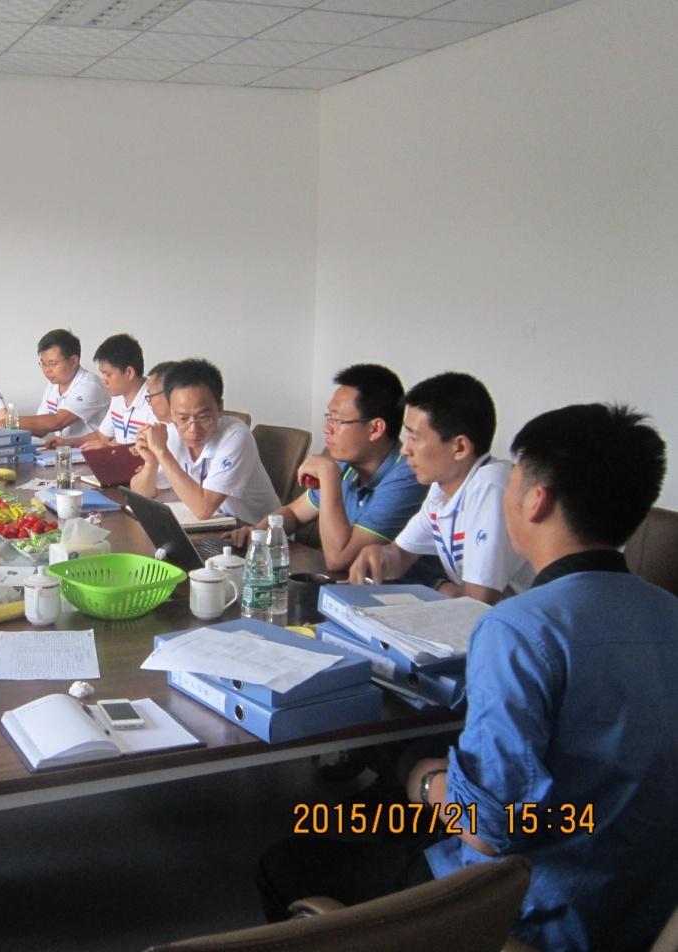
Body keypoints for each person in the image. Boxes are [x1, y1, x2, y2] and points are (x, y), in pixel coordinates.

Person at [260, 403, 678, 952]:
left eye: (514, 479)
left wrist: (423, 779)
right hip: (640, 903)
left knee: (285, 863)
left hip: (527, 907)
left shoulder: (521, 629)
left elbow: (484, 830)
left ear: (537, 500)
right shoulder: (668, 611)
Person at [349, 371, 532, 603]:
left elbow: (477, 603)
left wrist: (437, 586)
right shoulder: (442, 487)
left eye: (414, 438)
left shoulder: (491, 486)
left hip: (519, 622)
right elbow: (401, 555)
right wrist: (379, 555)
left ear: (460, 447)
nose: (405, 449)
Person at [229, 364, 430, 573]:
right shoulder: (348, 465)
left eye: (337, 420)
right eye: (329, 417)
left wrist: (328, 476)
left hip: (400, 590)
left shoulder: (408, 477)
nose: (326, 428)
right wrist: (258, 533)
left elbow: (339, 560)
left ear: (375, 429)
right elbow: (293, 513)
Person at [129, 358, 279, 524]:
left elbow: (204, 509)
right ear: (171, 412)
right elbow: (141, 493)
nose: (193, 429)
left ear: (219, 407)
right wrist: (151, 463)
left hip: (256, 531)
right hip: (213, 527)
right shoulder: (171, 432)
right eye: (183, 418)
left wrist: (161, 452)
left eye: (203, 417)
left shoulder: (236, 436)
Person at [55, 333, 152, 449]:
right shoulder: (118, 397)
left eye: (108, 374)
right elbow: (101, 436)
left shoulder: (154, 400)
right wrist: (67, 442)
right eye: (102, 374)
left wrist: (110, 447)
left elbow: (154, 451)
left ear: (129, 372)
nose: (103, 380)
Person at [16, 329, 110, 441]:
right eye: (43, 364)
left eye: (53, 364)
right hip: (64, 448)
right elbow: (42, 429)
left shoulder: (90, 385)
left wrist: (11, 421)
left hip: (88, 450)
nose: (47, 370)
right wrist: (9, 429)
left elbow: (57, 421)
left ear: (74, 361)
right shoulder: (53, 384)